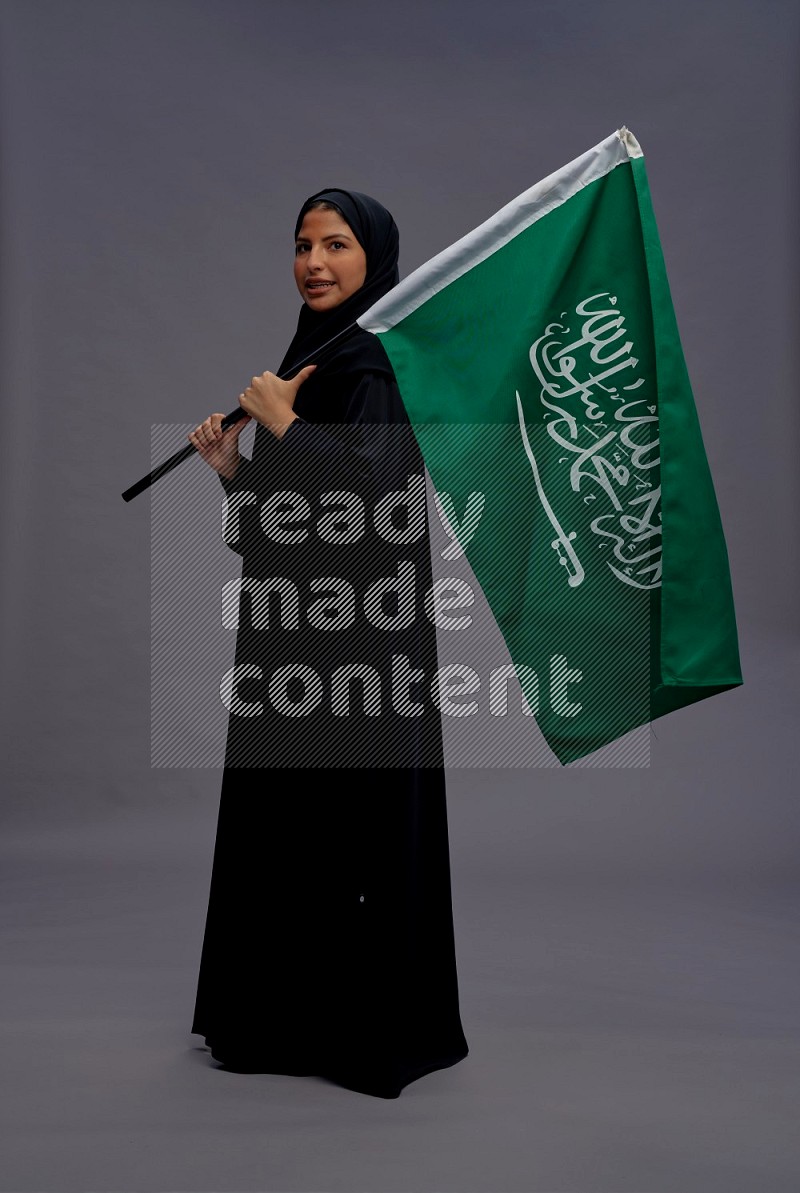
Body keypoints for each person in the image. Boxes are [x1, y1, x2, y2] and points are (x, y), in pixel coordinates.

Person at [187, 189, 469, 1099]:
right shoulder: (308, 360)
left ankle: (358, 1035)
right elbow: (285, 528)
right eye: (303, 244)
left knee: (350, 835)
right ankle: (278, 1019)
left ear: (373, 256)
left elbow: (380, 502)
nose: (314, 261)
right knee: (287, 833)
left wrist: (284, 427)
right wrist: (236, 475)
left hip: (361, 660)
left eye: (337, 244)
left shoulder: (377, 363)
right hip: (291, 645)